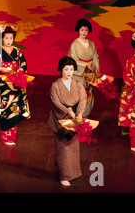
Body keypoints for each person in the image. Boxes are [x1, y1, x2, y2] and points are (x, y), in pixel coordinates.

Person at [48, 56, 87, 187]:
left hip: (75, 118)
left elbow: (83, 100)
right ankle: (63, 174)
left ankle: (73, 172)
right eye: (66, 69)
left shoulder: (78, 84)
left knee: (73, 147)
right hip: (61, 119)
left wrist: (79, 113)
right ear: (61, 70)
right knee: (63, 148)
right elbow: (55, 102)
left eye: (71, 69)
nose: (69, 72)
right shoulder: (56, 85)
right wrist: (68, 111)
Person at [0, 26, 31, 145]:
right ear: (3, 39)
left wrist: (19, 72)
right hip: (3, 85)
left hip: (14, 83)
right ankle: (5, 137)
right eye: (6, 38)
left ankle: (12, 136)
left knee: (14, 108)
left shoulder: (18, 51)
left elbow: (23, 65)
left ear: (13, 39)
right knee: (5, 108)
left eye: (10, 38)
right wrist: (1, 68)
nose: (8, 40)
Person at [68, 18, 100, 117]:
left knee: (89, 94)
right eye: (82, 29)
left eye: (86, 30)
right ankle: (75, 119)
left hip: (90, 73)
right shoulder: (74, 44)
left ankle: (85, 118)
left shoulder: (92, 44)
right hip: (79, 75)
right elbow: (73, 60)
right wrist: (85, 64)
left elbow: (95, 57)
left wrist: (97, 68)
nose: (84, 32)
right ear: (78, 30)